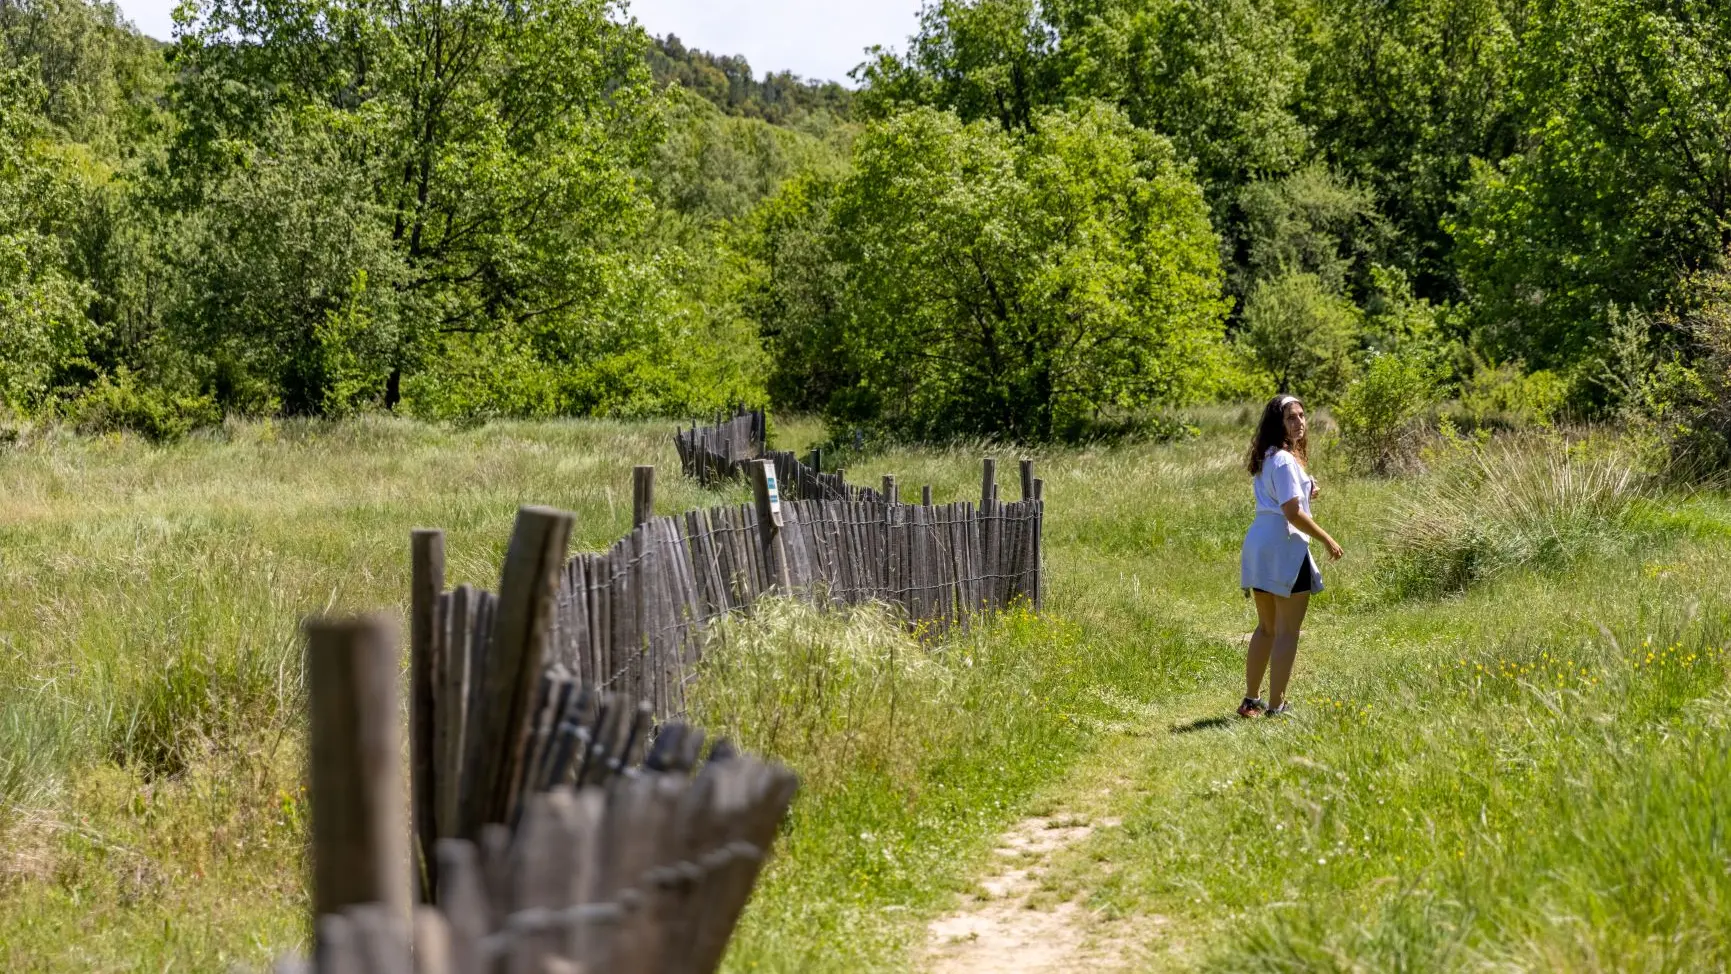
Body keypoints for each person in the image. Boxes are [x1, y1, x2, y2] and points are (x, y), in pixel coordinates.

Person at [1237, 395, 1343, 718]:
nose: (1299, 422)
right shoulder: (1283, 459)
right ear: (1277, 424)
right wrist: (1326, 538)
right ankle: (1276, 706)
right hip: (1284, 546)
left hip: (1259, 544)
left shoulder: (1268, 456)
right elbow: (1292, 512)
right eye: (1291, 418)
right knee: (1286, 631)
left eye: (1301, 416)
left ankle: (1251, 701)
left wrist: (1306, 487)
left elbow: (1282, 495)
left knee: (1267, 628)